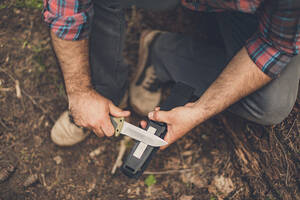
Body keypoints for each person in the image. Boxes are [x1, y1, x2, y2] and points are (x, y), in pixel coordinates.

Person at [44, 0, 300, 148]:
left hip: (252, 12)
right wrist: (79, 91)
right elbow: (67, 8)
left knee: (270, 103)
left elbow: (275, 45)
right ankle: (103, 91)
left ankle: (162, 54)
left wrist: (200, 110)